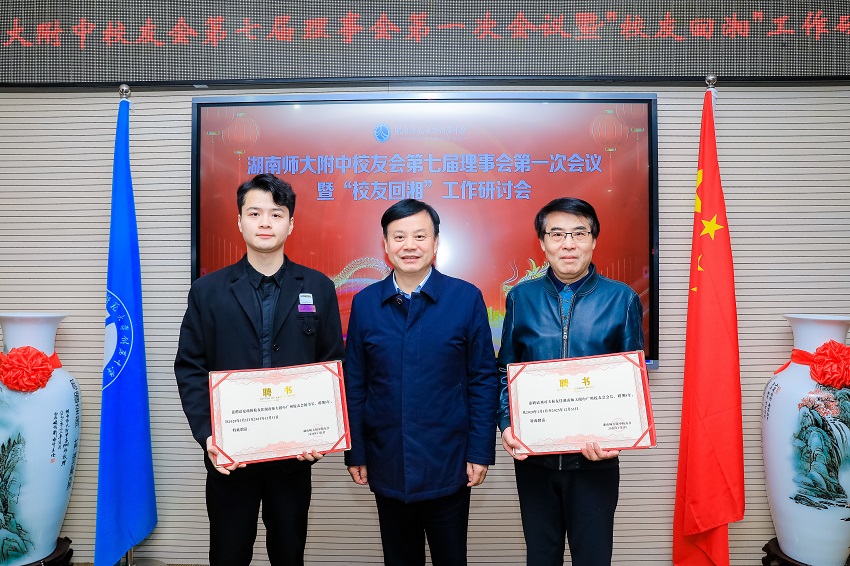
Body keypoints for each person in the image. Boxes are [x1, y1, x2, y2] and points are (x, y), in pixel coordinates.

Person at [174, 173, 344, 566]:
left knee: (289, 555)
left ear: (291, 224)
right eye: (255, 213)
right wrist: (209, 436)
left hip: (294, 459)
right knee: (228, 556)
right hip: (231, 457)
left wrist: (322, 431)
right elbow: (190, 367)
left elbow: (333, 364)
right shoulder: (208, 291)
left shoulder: (319, 287)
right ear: (239, 221)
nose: (265, 222)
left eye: (276, 214)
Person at [344, 199, 498, 566]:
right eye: (399, 237)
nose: (409, 246)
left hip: (449, 461)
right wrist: (357, 452)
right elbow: (355, 383)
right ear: (385, 244)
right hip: (386, 459)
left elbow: (482, 379)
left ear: (436, 242)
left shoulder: (465, 298)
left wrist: (479, 451)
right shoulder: (365, 303)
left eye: (420, 236)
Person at [497, 197, 644, 566]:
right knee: (541, 557)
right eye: (557, 234)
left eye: (579, 234)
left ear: (593, 241)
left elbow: (632, 379)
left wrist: (618, 436)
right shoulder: (521, 298)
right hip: (535, 461)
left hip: (595, 463)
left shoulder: (622, 299)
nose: (568, 244)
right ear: (542, 242)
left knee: (593, 558)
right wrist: (507, 424)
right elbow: (504, 370)